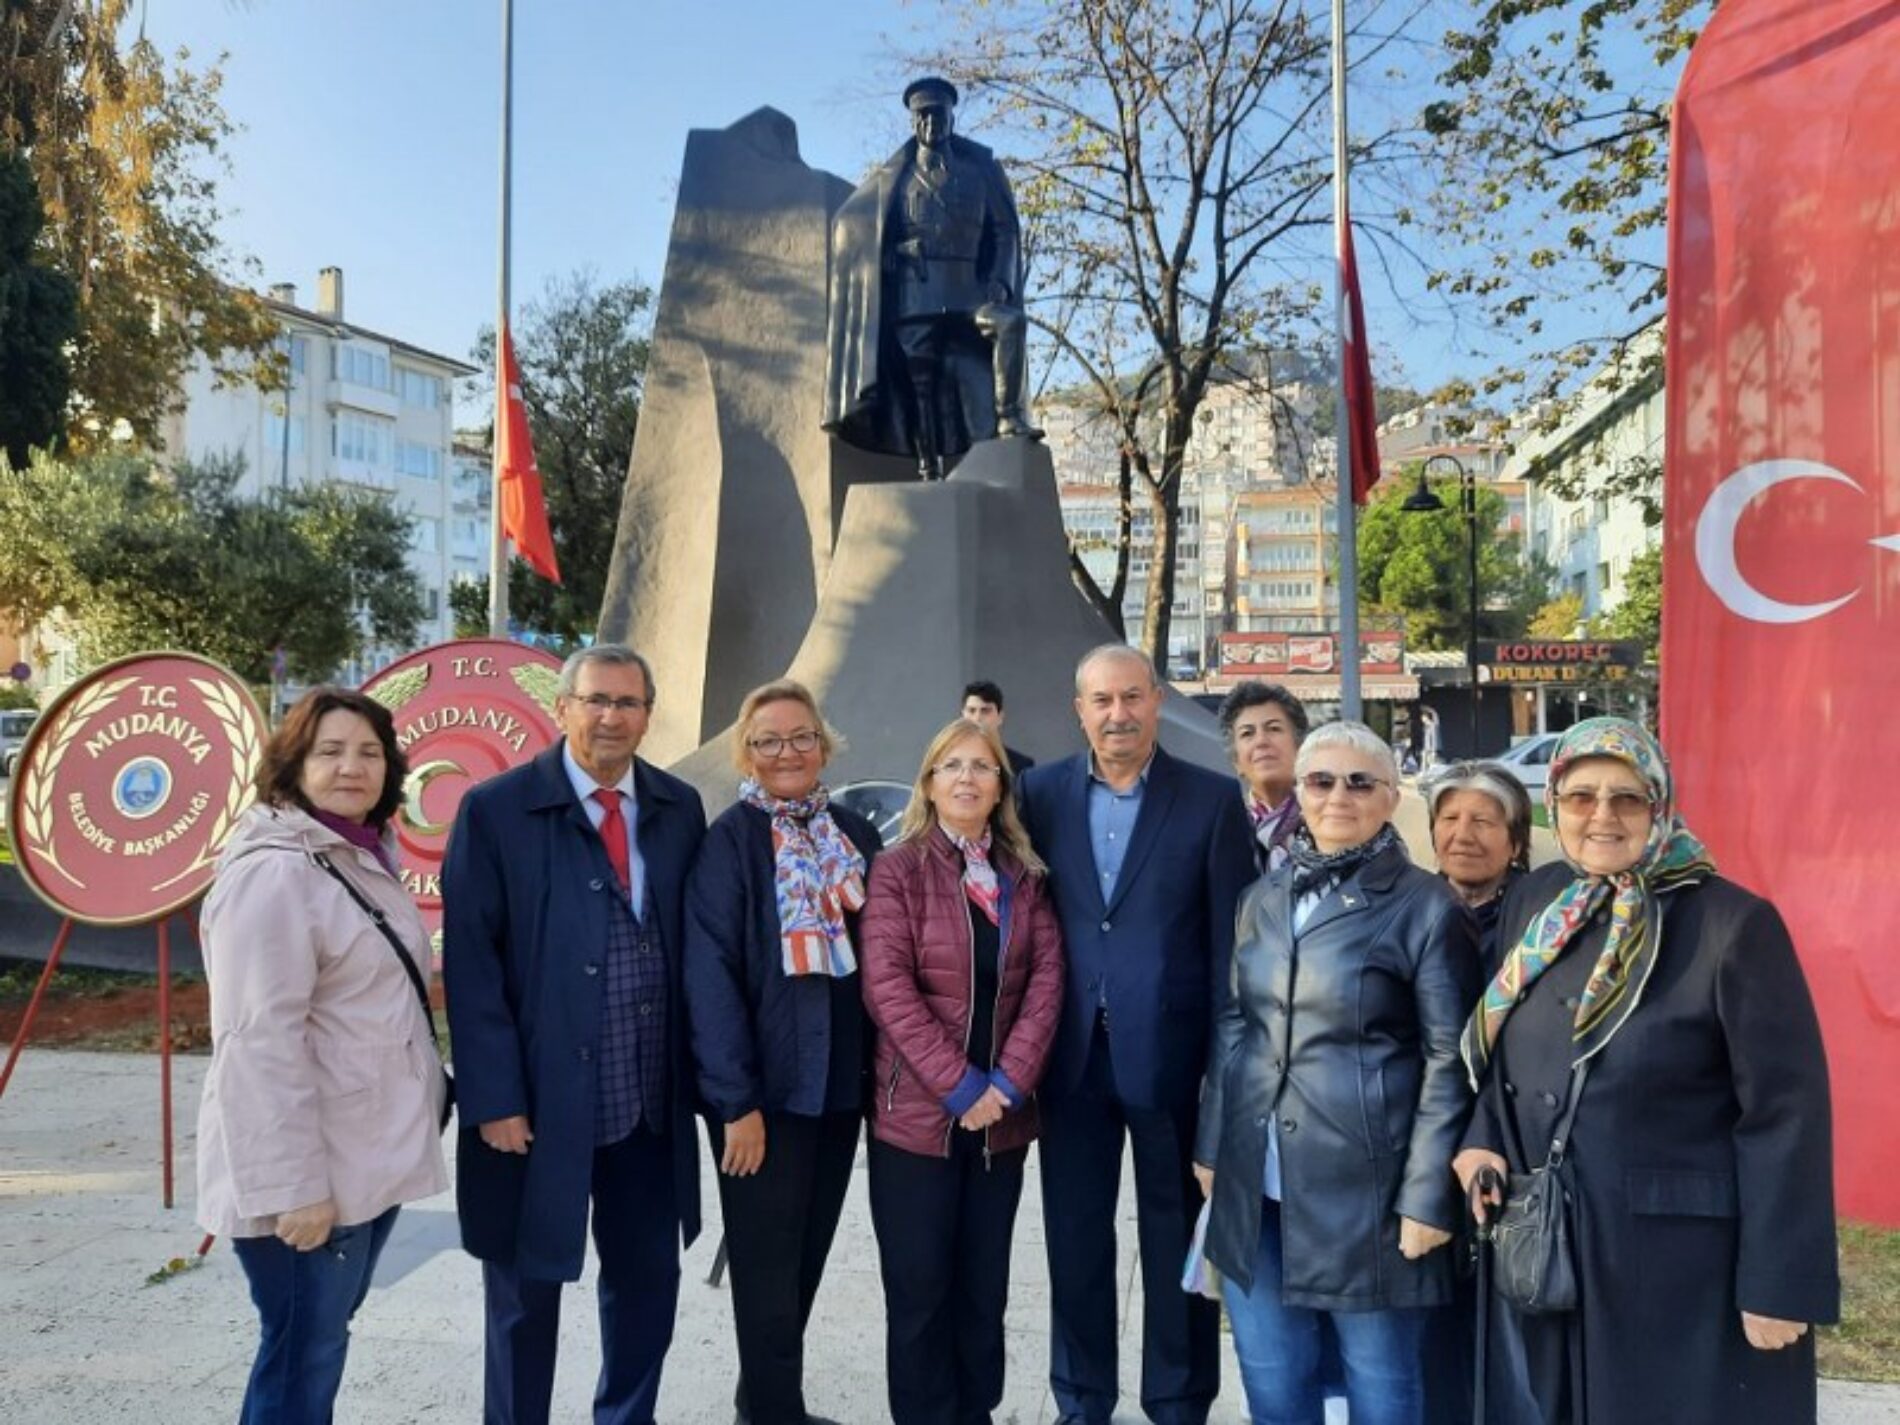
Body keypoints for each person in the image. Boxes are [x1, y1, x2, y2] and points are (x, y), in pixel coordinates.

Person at [1453, 717, 1839, 1424]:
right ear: (1555, 806)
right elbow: (1502, 1044)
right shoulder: (1538, 903)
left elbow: (1787, 1114)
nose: (1602, 816)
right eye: (1580, 797)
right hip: (1551, 1248)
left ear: (1659, 805)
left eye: (1626, 798)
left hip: (1679, 1269)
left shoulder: (1731, 924)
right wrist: (1483, 1137)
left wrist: (1781, 1283)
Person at [443, 645, 708, 1425]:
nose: (610, 717)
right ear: (562, 708)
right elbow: (471, 964)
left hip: (647, 1106)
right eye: (595, 699)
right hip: (537, 1106)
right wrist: (493, 1095)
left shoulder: (677, 805)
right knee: (525, 1293)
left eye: (627, 703)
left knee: (646, 1282)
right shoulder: (495, 809)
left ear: (648, 715)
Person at [1194, 721, 1480, 1425]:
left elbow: (1451, 1059)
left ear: (1390, 797)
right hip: (1254, 1183)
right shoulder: (1262, 897)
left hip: (1372, 1195)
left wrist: (1425, 1197)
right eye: (1321, 780)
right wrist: (1210, 1145)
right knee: (1273, 1382)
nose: (1338, 796)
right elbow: (1236, 1023)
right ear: (1299, 791)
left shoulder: (1425, 906)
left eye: (1360, 782)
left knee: (1380, 1387)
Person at [196, 686, 449, 1424]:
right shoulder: (277, 874)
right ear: (292, 763)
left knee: (312, 1347)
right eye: (330, 750)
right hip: (312, 1182)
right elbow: (256, 1043)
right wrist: (293, 1188)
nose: (352, 767)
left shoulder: (353, 853)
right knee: (299, 1361)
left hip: (358, 1162)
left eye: (369, 752)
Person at [1017, 644, 1256, 1425]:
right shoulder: (1039, 793)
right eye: (1101, 701)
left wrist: (1223, 1069)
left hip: (1174, 1059)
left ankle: (1180, 1397)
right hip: (1071, 1055)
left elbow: (1230, 949)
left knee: (1176, 1239)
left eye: (1131, 697)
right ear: (1078, 708)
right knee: (1076, 1239)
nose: (1117, 714)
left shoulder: (1214, 801)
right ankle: (1082, 1397)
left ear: (1157, 699)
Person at [683, 679, 884, 1425]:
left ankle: (762, 1400)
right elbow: (710, 980)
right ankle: (773, 1414)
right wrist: (735, 1103)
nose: (787, 751)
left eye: (801, 736)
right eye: (769, 740)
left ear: (823, 744)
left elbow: (882, 960)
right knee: (765, 1266)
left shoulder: (855, 835)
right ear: (748, 753)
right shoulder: (729, 842)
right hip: (762, 1097)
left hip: (835, 1088)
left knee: (805, 1256)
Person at [859, 717, 1066, 1425]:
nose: (968, 778)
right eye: (953, 765)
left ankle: (975, 1411)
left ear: (1001, 784)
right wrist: (961, 1085)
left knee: (984, 1289)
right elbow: (887, 986)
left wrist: (1006, 1084)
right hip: (916, 1122)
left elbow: (1047, 982)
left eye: (982, 766)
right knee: (919, 1291)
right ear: (929, 781)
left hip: (999, 1126)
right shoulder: (897, 870)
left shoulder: (1024, 875)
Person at [823, 76, 1039, 480]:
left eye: (937, 113)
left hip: (969, 294)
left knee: (1010, 324)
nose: (930, 123)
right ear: (912, 121)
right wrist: (897, 251)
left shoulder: (980, 173)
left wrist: (1000, 281)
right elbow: (858, 235)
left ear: (951, 116)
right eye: (922, 115)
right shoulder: (893, 180)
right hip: (915, 301)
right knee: (922, 386)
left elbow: (1005, 230)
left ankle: (1009, 418)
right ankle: (927, 466)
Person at [1422, 759, 1534, 971]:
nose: (1463, 836)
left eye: (1482, 822)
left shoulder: (1539, 917)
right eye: (1450, 818)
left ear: (1517, 843)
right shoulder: (1411, 909)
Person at [1216, 680, 1310, 873]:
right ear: (1236, 761)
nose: (1261, 741)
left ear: (1300, 746)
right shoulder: (1222, 828)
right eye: (1247, 733)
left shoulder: (1327, 818)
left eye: (1274, 729)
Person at [961, 678, 1034, 778]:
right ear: (962, 715)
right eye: (971, 710)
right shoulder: (946, 760)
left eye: (985, 711)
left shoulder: (1021, 766)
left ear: (1000, 717)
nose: (977, 718)